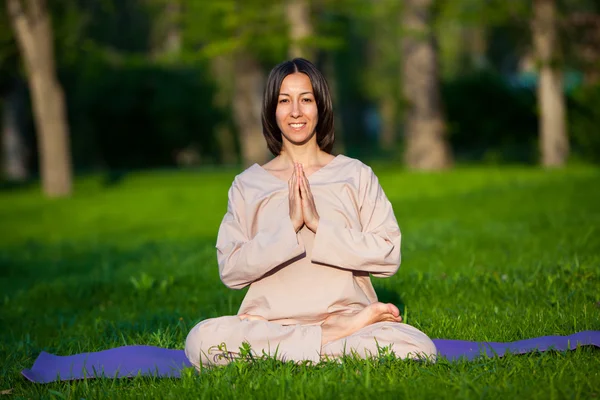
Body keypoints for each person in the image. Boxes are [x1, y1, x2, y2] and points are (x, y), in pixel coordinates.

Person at [185, 58, 437, 368]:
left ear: (321, 106)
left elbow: (388, 255)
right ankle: (327, 340)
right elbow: (231, 270)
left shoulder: (355, 175)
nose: (295, 111)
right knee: (201, 341)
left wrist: (318, 225)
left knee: (416, 347)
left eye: (306, 99)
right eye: (284, 101)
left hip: (346, 316)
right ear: (271, 110)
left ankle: (297, 349)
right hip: (271, 324)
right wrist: (289, 227)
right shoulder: (247, 184)